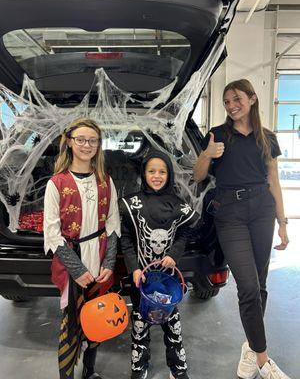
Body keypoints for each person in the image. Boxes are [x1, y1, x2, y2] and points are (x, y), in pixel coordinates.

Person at [193, 79, 290, 379]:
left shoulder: (267, 138)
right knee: (247, 286)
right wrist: (208, 154)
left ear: (252, 98)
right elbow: (197, 176)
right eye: (226, 101)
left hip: (262, 211)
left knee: (260, 287)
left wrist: (283, 223)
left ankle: (249, 348)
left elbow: (273, 181)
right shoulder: (218, 135)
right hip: (230, 213)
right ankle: (263, 360)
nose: (232, 105)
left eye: (237, 99)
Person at [43, 118, 120, 379]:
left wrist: (109, 263)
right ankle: (66, 374)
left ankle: (89, 371)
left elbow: (112, 225)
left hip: (98, 259)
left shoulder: (105, 181)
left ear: (98, 145)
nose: (87, 145)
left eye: (92, 140)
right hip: (71, 262)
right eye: (81, 139)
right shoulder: (57, 183)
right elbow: (52, 234)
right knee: (72, 321)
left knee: (97, 318)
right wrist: (76, 269)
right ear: (70, 143)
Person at [120, 150, 199, 379]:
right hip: (141, 278)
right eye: (151, 171)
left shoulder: (177, 204)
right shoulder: (131, 204)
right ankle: (139, 366)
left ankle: (178, 368)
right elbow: (126, 239)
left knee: (172, 322)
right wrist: (134, 267)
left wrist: (174, 254)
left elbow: (185, 233)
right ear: (144, 174)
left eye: (162, 171)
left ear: (169, 174)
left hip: (167, 278)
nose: (157, 176)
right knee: (140, 323)